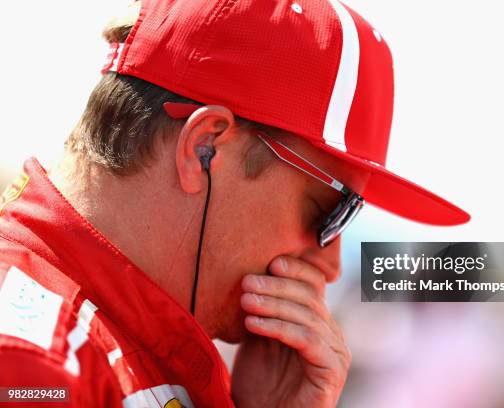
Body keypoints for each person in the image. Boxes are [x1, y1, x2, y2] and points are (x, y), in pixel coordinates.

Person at [0, 0, 469, 406]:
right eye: (328, 212)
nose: (331, 264)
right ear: (204, 148)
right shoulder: (34, 361)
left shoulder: (113, 342)